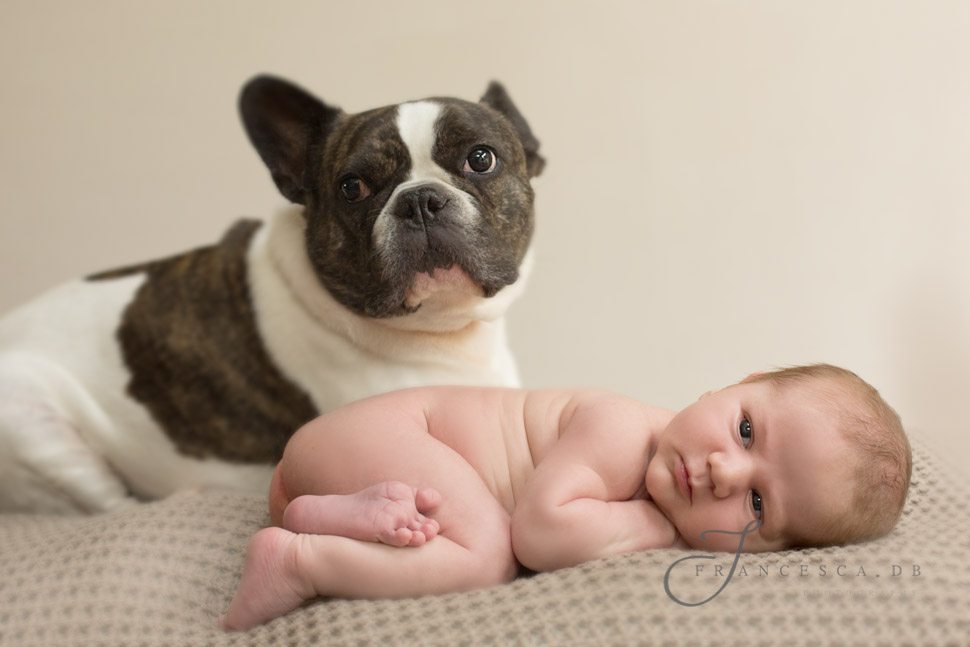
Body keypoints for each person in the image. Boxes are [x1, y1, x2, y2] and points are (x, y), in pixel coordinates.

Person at [220, 364, 911, 630]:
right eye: (747, 428)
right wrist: (652, 528)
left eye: (757, 507)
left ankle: (329, 518)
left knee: (444, 530)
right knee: (486, 550)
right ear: (732, 382)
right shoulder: (620, 431)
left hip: (328, 478)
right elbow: (541, 534)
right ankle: (301, 557)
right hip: (378, 434)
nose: (726, 471)